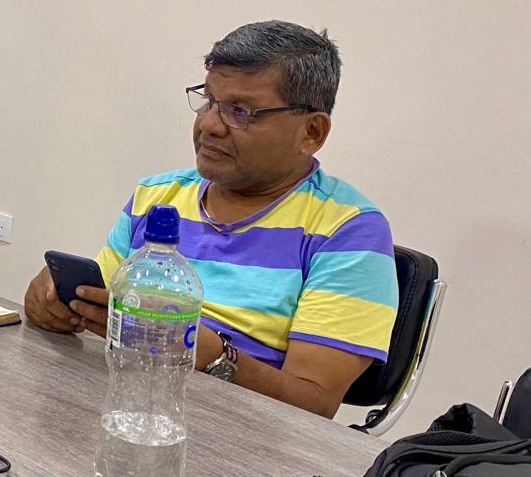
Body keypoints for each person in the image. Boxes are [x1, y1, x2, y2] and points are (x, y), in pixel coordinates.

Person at [24, 21, 397, 418]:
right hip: (127, 404)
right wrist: (56, 304)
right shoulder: (157, 196)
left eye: (241, 111)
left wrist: (214, 356)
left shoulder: (349, 231)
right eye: (208, 101)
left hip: (239, 433)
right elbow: (103, 309)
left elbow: (314, 406)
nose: (209, 125)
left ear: (312, 132)